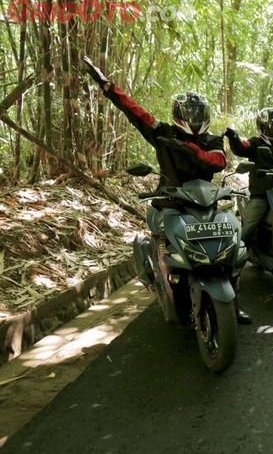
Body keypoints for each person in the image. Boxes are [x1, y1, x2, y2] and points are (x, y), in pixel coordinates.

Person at [82, 56, 252, 325]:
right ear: (179, 116)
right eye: (189, 115)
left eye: (198, 115)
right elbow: (135, 112)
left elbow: (217, 161)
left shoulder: (211, 139)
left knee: (234, 245)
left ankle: (235, 302)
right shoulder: (163, 132)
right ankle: (162, 282)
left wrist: (188, 148)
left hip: (206, 202)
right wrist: (107, 86)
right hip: (171, 200)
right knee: (161, 239)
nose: (194, 120)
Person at [225, 107, 273, 245]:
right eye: (269, 127)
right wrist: (233, 137)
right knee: (248, 228)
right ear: (261, 127)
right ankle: (237, 255)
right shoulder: (255, 142)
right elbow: (241, 147)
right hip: (261, 194)